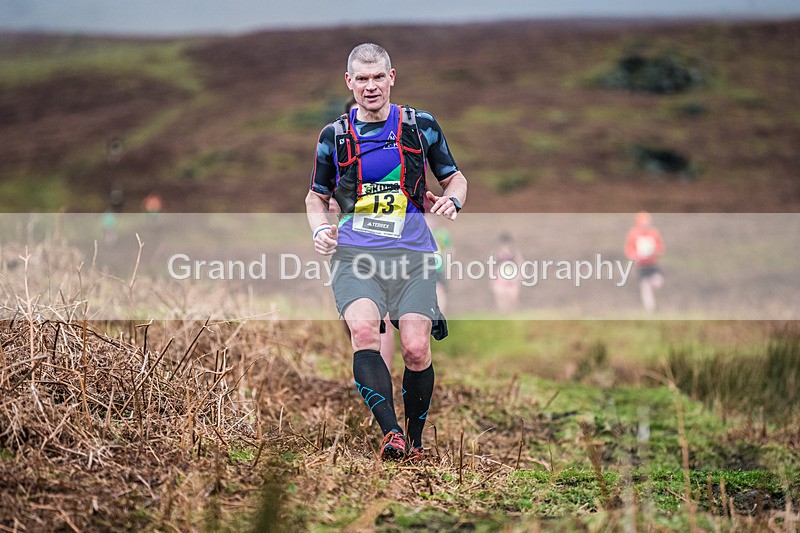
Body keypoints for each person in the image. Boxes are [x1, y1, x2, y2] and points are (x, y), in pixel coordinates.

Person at [305, 43, 467, 461]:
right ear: (349, 82)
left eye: (378, 77)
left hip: (412, 258)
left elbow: (455, 178)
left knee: (415, 348)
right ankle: (391, 433)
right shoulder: (334, 136)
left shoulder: (421, 126)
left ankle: (415, 442)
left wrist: (453, 200)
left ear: (392, 77)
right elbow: (315, 197)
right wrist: (321, 230)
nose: (371, 86)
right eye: (362, 79)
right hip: (356, 257)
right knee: (365, 333)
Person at [624, 211, 665, 312]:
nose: (645, 225)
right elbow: (629, 250)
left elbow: (661, 248)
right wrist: (634, 257)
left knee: (657, 283)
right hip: (641, 266)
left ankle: (655, 304)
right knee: (645, 287)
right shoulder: (633, 234)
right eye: (642, 223)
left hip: (653, 264)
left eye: (646, 223)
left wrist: (655, 252)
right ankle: (650, 310)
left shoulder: (654, 233)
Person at [489, 232, 523, 313]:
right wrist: (491, 280)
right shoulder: (496, 253)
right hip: (500, 279)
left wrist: (520, 277)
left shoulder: (515, 253)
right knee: (501, 300)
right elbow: (492, 266)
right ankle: (503, 317)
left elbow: (520, 264)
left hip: (512, 279)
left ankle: (512, 317)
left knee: (512, 300)